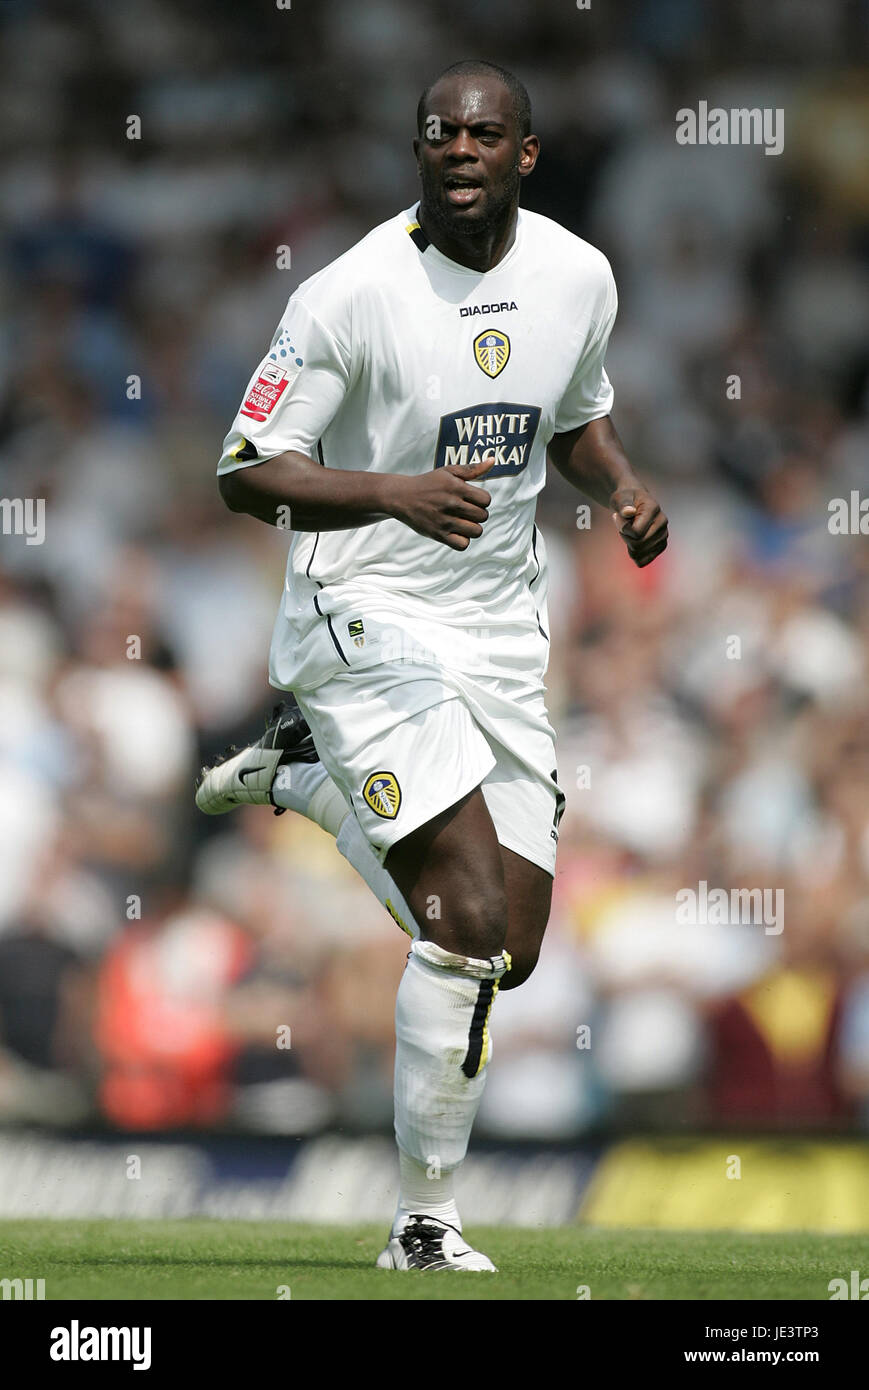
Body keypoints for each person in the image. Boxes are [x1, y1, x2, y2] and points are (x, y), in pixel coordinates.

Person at [196, 59, 668, 1272]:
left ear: (525, 152)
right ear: (418, 151)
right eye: (437, 133)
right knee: (456, 923)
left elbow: (570, 419)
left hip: (498, 626)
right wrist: (387, 495)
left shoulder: (577, 275)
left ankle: (306, 773)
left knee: (507, 947)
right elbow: (246, 471)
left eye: (482, 133)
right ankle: (423, 1221)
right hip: (361, 608)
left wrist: (617, 485)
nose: (458, 148)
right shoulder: (348, 294)